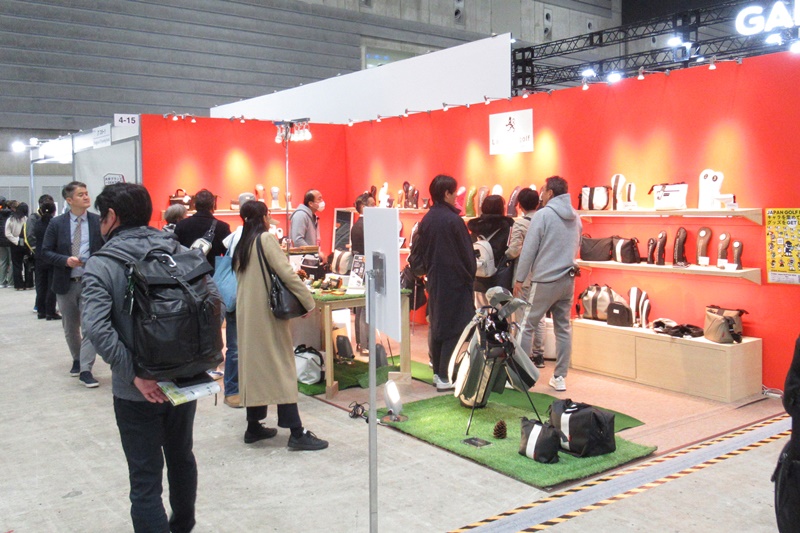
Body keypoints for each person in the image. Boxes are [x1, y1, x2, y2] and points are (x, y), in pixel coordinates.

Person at [81, 183, 201, 533]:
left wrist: (135, 373)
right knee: (181, 457)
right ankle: (183, 526)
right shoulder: (178, 250)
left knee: (145, 476)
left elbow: (96, 327)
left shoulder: (102, 264)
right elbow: (209, 303)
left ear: (111, 217)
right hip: (183, 379)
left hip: (136, 390)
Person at [233, 200, 328, 450]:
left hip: (247, 316)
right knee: (282, 368)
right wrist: (307, 302)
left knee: (256, 370)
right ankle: (296, 431)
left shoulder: (243, 242)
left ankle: (253, 426)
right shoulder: (265, 239)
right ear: (264, 217)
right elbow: (286, 273)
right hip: (267, 316)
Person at [514, 176, 581, 392]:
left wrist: (519, 278)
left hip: (544, 280)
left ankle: (521, 377)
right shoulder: (576, 217)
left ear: (550, 193)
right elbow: (577, 245)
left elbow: (529, 250)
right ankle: (560, 377)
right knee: (563, 329)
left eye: (543, 191)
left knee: (526, 325)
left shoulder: (542, 215)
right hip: (568, 279)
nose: (541, 195)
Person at [409, 174, 476, 391]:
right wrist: (469, 277)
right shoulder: (453, 220)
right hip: (455, 281)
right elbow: (467, 255)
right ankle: (445, 376)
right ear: (447, 193)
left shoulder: (427, 219)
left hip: (435, 279)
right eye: (454, 192)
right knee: (453, 329)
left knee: (438, 326)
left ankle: (439, 373)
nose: (456, 196)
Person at [41, 181, 102, 388]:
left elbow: (106, 247)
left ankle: (86, 368)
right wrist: (65, 260)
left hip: (91, 282)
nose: (86, 197)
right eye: (80, 194)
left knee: (91, 325)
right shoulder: (57, 224)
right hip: (65, 282)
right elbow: (45, 251)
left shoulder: (97, 221)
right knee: (70, 327)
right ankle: (77, 358)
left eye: (86, 193)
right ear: (69, 200)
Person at [218, 195, 257, 409]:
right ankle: (233, 389)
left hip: (239, 295)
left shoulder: (236, 235)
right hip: (240, 295)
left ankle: (239, 388)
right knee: (236, 347)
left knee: (237, 346)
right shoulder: (248, 236)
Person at [505, 188, 546, 368]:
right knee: (539, 316)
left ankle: (524, 356)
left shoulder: (520, 224)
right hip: (543, 274)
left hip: (523, 276)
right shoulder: (545, 221)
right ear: (537, 203)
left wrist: (506, 255)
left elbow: (514, 250)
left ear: (520, 205)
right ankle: (539, 355)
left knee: (522, 316)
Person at [466, 194, 514, 307]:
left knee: (481, 313)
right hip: (499, 279)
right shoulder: (507, 228)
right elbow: (510, 252)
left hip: (478, 278)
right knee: (500, 315)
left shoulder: (475, 228)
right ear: (501, 208)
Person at [174, 189, 231, 273]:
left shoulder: (181, 225)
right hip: (212, 273)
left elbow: (176, 252)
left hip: (187, 273)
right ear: (213, 205)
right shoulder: (222, 227)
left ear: (194, 205)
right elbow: (228, 255)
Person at [351, 192, 375, 352]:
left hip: (359, 268)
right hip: (367, 269)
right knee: (365, 308)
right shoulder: (366, 226)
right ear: (363, 206)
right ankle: (365, 344)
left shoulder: (356, 225)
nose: (375, 207)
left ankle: (362, 343)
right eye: (372, 205)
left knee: (361, 307)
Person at [31, 200, 59, 319]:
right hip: (51, 256)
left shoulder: (37, 223)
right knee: (51, 285)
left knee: (40, 284)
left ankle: (40, 310)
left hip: (39, 256)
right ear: (54, 211)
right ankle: (50, 311)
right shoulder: (54, 223)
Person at [5, 202, 34, 290]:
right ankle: (29, 284)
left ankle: (19, 285)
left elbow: (7, 233)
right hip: (26, 244)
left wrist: (15, 240)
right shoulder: (27, 219)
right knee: (28, 264)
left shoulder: (11, 219)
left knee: (17, 265)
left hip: (15, 245)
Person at [0, 196, 13, 287]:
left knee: (2, 261)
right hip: (10, 240)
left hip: (0, 241)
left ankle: (2, 281)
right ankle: (11, 282)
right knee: (11, 261)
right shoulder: (11, 213)